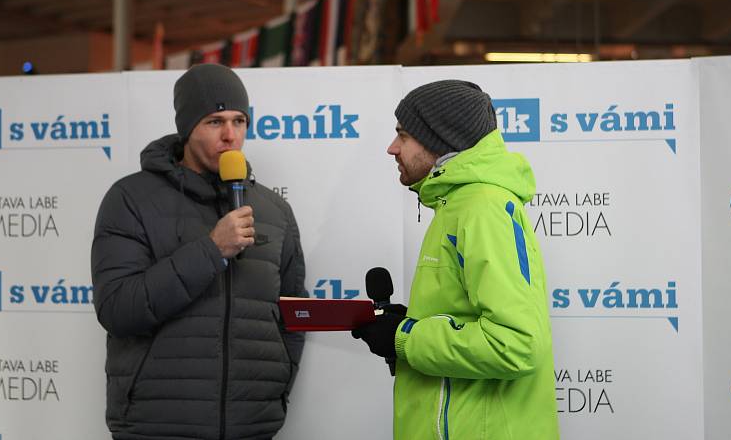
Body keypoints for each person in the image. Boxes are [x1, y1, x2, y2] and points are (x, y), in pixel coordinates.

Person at [91, 63, 307, 440]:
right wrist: (211, 250)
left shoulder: (274, 211)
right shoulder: (130, 199)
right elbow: (118, 309)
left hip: (252, 426)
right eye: (214, 122)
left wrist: (277, 384)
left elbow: (292, 313)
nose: (230, 135)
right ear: (188, 128)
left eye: (239, 121)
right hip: (157, 425)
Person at [353, 79, 559, 439]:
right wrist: (412, 323)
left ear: (439, 139)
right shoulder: (457, 205)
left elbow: (516, 343)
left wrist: (405, 337)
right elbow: (465, 317)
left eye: (403, 135)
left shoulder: (483, 208)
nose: (391, 148)